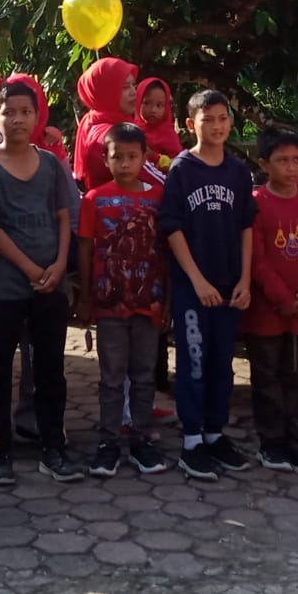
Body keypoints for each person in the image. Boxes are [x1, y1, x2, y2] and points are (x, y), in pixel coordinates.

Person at [0, 80, 84, 486]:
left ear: (37, 117)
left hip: (51, 287)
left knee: (51, 369)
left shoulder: (53, 165)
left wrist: (57, 267)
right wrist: (32, 270)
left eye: (25, 112)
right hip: (6, 287)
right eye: (9, 112)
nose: (17, 119)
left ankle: (53, 446)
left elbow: (64, 217)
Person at [159, 89, 256, 480]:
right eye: (207, 119)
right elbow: (172, 227)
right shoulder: (182, 170)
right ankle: (191, 442)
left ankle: (215, 434)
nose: (216, 126)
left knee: (222, 364)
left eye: (222, 118)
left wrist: (246, 279)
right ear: (190, 124)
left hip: (230, 285)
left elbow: (247, 226)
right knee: (193, 363)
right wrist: (196, 280)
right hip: (192, 289)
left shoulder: (237, 171)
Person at [76, 122, 169, 476]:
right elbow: (85, 249)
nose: (126, 163)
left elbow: (166, 250)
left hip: (151, 302)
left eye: (133, 156)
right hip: (109, 302)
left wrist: (169, 298)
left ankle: (142, 439)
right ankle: (108, 441)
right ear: (106, 158)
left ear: (144, 157)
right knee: (112, 375)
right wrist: (85, 297)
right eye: (119, 157)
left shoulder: (158, 198)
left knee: (145, 373)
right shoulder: (94, 199)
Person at [244, 128, 298, 475]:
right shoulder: (255, 203)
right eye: (282, 161)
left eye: (296, 160)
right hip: (267, 310)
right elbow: (256, 258)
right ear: (265, 164)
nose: (291, 168)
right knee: (266, 378)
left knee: (297, 378)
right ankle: (271, 443)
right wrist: (281, 297)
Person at [74, 57, 139, 190]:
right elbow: (147, 175)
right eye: (126, 87)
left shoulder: (99, 122)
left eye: (134, 85)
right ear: (107, 92)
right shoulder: (108, 134)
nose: (134, 92)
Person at [136, 77, 182, 165]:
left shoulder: (168, 135)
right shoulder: (129, 130)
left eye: (159, 105)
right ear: (137, 102)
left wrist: (155, 157)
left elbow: (179, 166)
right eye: (147, 103)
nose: (153, 110)